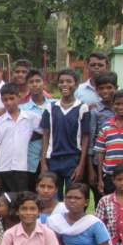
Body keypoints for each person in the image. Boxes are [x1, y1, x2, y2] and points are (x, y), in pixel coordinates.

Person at [39, 68, 90, 199]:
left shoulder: (82, 108)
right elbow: (45, 135)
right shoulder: (50, 107)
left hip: (73, 159)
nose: (65, 84)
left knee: (72, 197)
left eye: (69, 81)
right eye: (61, 81)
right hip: (53, 160)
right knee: (53, 198)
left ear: (76, 84)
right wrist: (44, 162)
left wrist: (81, 165)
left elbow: (85, 138)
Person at [0, 83, 41, 194]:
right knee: (3, 202)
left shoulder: (31, 118)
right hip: (1, 168)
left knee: (20, 201)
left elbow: (44, 133)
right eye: (5, 100)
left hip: (22, 168)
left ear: (19, 97)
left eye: (12, 98)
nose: (8, 102)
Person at [20, 69, 52, 188]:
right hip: (29, 158)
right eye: (31, 81)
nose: (35, 84)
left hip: (50, 156)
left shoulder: (54, 105)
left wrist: (38, 133)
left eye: (38, 81)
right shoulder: (22, 109)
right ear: (27, 85)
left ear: (44, 83)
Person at [87, 72, 117, 195]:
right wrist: (90, 169)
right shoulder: (95, 111)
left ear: (116, 88)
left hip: (119, 161)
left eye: (109, 87)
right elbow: (91, 140)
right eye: (101, 88)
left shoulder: (122, 109)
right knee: (102, 197)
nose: (105, 91)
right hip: (99, 162)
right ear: (96, 90)